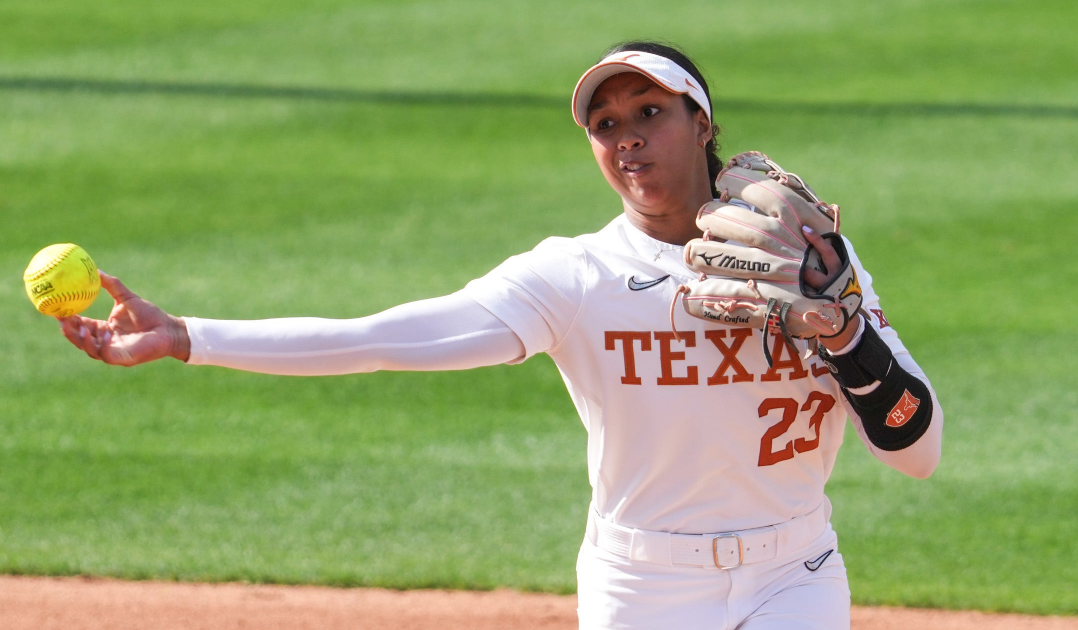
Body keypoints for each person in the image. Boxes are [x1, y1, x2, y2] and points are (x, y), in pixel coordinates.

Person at [59, 41, 943, 630]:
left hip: (797, 569)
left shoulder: (809, 260)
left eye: (650, 113)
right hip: (645, 586)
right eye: (606, 125)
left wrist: (843, 328)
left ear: (702, 123)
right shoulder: (573, 278)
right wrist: (188, 335)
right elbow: (381, 337)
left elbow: (917, 449)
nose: (626, 139)